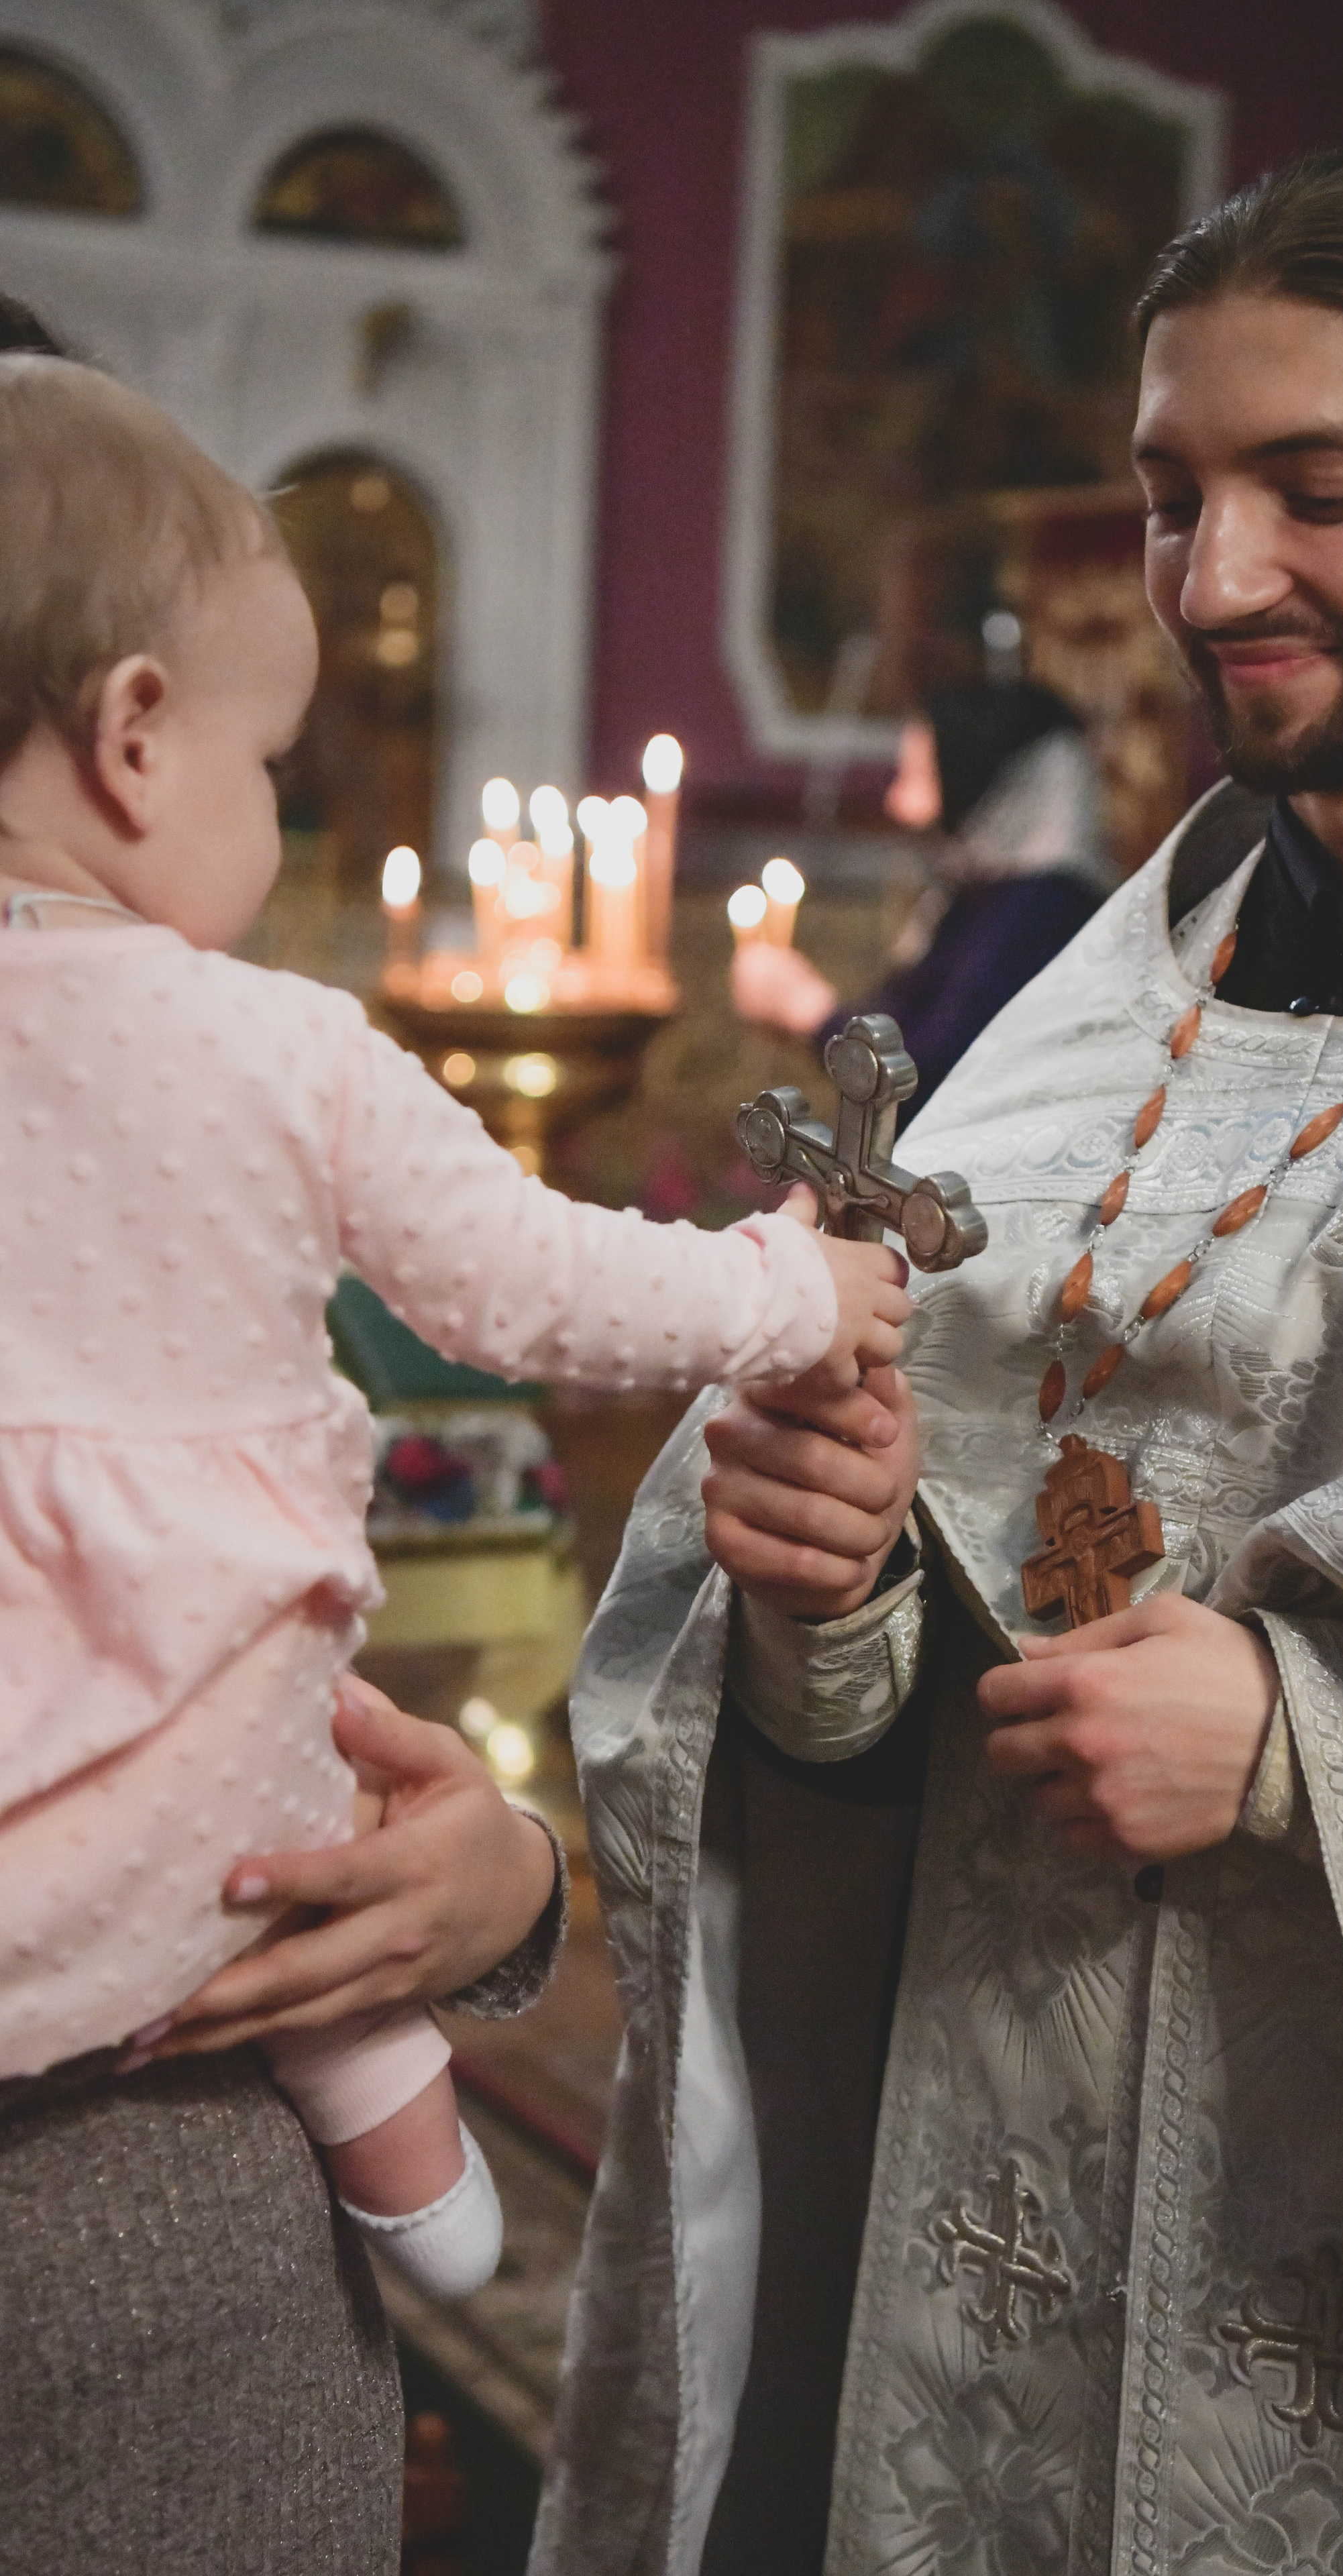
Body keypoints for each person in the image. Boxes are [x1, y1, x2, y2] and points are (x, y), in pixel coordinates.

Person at [537, 139, 1343, 2576]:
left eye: (1317, 491)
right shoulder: (1078, 1037)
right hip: (968, 2256)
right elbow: (845, 1772)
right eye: (1171, 496)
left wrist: (1315, 1764)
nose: (1208, 581)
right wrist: (825, 1606)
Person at [0, 352, 907, 2567]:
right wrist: (804, 1296)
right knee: (274, 1804)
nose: (276, 820)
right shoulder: (281, 1047)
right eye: (270, 764)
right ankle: (396, 2122)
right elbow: (538, 1286)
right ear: (134, 736)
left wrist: (497, 1879)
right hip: (187, 2047)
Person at [732, 680, 1113, 1119]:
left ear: (980, 789)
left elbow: (931, 1078)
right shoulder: (981, 897)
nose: (897, 804)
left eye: (920, 778)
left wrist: (808, 1009)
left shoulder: (1042, 911)